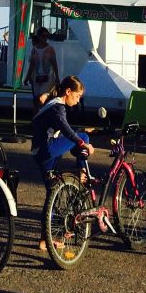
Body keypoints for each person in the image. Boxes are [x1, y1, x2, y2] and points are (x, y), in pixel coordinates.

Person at [30, 75, 92, 251]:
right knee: (83, 137)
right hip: (47, 149)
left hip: (38, 153)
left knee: (52, 194)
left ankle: (44, 241)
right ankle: (82, 173)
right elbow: (66, 129)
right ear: (68, 92)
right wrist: (83, 144)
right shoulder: (58, 107)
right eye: (78, 96)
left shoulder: (53, 103)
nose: (78, 100)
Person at [27, 28, 59, 105]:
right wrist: (27, 77)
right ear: (39, 36)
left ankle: (44, 113)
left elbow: (54, 64)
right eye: (43, 36)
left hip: (48, 77)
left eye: (47, 36)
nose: (45, 38)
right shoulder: (34, 49)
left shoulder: (50, 49)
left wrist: (57, 77)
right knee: (37, 98)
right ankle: (41, 114)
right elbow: (32, 65)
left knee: (42, 97)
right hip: (37, 77)